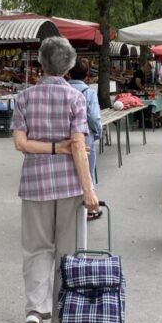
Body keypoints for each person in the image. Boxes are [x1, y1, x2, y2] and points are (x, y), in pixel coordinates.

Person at [11, 37, 98, 323]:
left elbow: (20, 143)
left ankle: (35, 310)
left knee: (36, 248)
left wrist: (50, 148)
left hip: (35, 183)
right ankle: (64, 320)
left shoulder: (25, 97)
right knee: (70, 252)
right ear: (70, 65)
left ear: (41, 62)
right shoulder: (76, 98)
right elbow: (78, 145)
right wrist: (89, 191)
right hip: (70, 184)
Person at [67, 58, 103, 218]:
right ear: (87, 74)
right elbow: (94, 117)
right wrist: (97, 133)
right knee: (86, 171)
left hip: (64, 139)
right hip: (85, 138)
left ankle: (69, 209)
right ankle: (89, 208)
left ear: (68, 73)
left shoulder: (63, 90)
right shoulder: (88, 93)